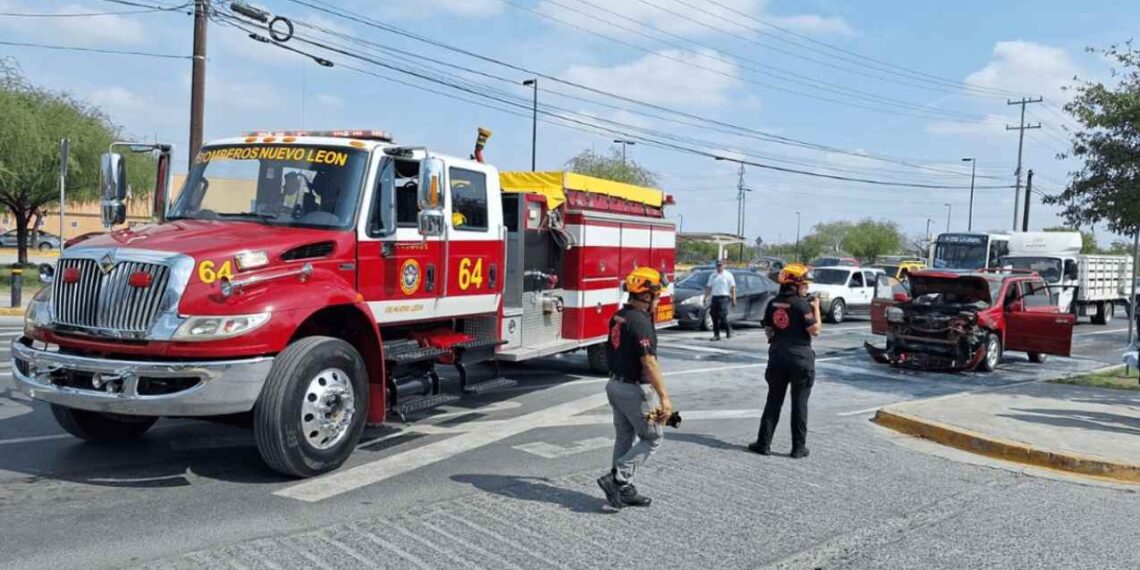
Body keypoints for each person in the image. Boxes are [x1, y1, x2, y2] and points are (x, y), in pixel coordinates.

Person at [597, 267, 672, 510]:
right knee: (654, 437)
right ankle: (618, 478)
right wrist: (664, 398)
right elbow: (649, 362)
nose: (658, 300)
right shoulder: (640, 322)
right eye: (656, 295)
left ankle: (624, 489)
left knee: (625, 437)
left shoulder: (619, 316)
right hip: (635, 392)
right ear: (646, 296)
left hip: (615, 386)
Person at [749, 263, 821, 459]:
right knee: (799, 404)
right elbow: (815, 330)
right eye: (805, 284)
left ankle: (763, 443)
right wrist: (816, 308)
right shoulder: (802, 304)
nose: (807, 288)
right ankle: (798, 448)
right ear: (795, 285)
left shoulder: (772, 303)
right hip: (800, 360)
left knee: (773, 401)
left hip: (777, 357)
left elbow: (768, 330)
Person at [704, 259, 736, 341]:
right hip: (715, 297)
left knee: (722, 316)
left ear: (724, 265)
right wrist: (705, 297)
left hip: (724, 297)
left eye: (720, 265)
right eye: (717, 265)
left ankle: (728, 329)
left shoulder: (728, 275)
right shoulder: (713, 275)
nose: (719, 267)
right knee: (714, 316)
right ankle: (716, 335)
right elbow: (709, 287)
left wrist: (734, 298)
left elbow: (732, 287)